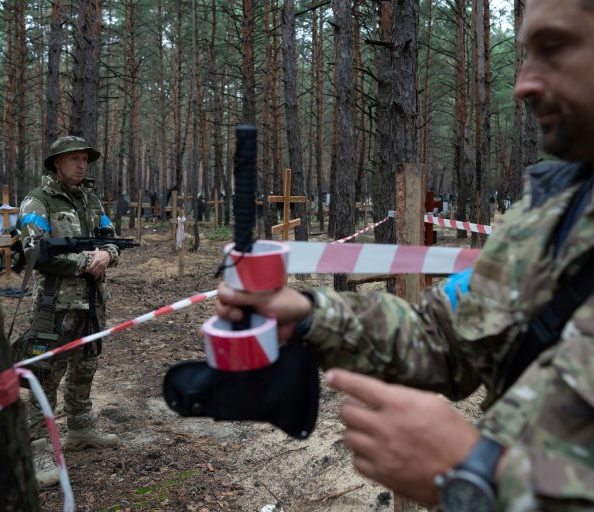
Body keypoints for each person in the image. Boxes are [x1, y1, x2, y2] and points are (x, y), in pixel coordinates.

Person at [216, 1, 594, 510]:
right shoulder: (550, 213)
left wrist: (483, 475)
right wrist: (308, 316)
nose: (523, 84)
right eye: (525, 55)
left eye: (554, 48)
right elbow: (446, 340)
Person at [19, 136, 120, 488]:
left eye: (84, 159)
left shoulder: (90, 199)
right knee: (46, 374)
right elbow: (34, 251)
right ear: (56, 164)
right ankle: (35, 448)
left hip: (92, 301)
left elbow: (110, 237)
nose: (81, 165)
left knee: (86, 364)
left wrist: (107, 255)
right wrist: (83, 261)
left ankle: (80, 427)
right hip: (55, 303)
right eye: (74, 159)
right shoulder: (38, 200)